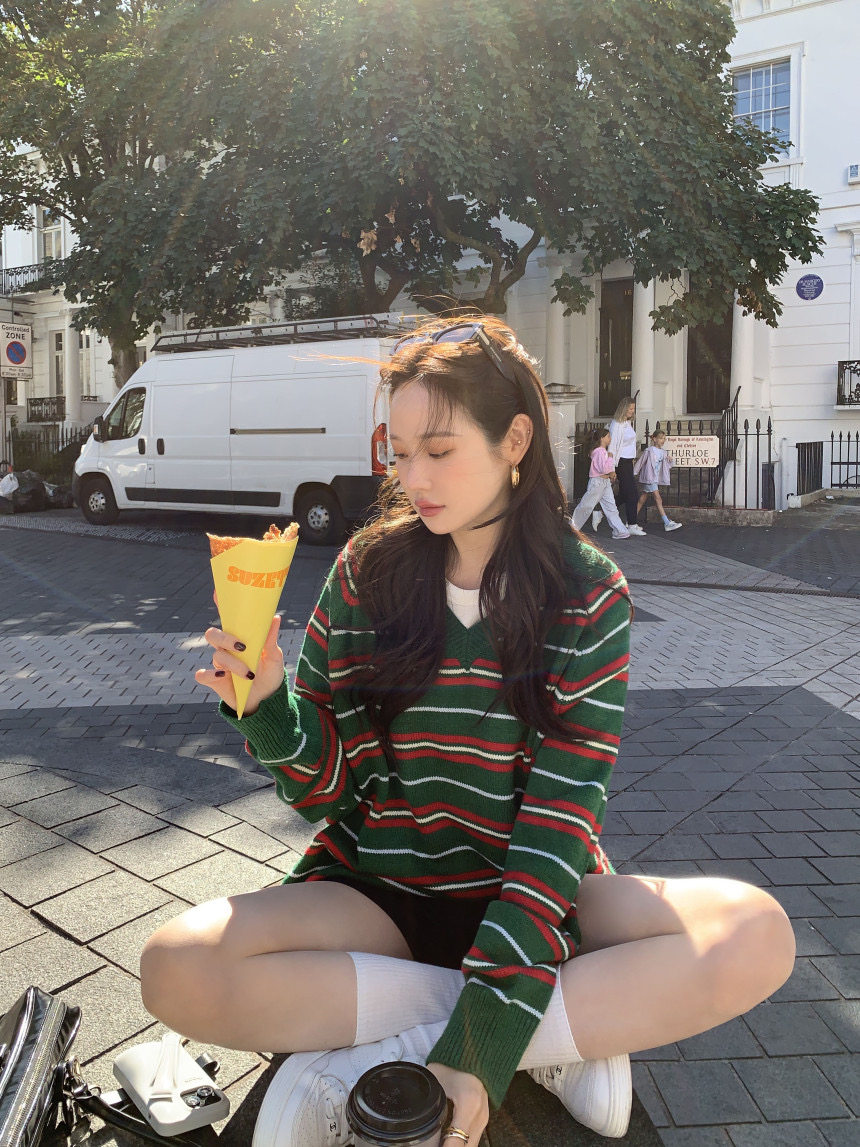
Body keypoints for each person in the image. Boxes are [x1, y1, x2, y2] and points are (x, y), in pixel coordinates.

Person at [139, 316, 795, 1147]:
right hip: (380, 895)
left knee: (757, 934)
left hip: (537, 898)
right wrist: (268, 703)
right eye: (399, 451)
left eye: (439, 450)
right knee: (175, 966)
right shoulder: (365, 572)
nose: (413, 477)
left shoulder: (587, 595)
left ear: (514, 440)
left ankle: (409, 1045)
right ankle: (552, 1033)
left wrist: (479, 1049)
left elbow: (557, 830)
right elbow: (326, 794)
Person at [592, 397, 644, 536]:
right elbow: (613, 447)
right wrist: (611, 469)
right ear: (623, 408)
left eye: (633, 409)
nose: (632, 411)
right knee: (632, 494)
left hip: (628, 461)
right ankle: (632, 524)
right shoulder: (617, 424)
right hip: (620, 462)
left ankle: (600, 511)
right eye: (630, 408)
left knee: (625, 494)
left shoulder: (627, 423)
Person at [570, 427, 630, 539]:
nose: (610, 438)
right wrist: (610, 459)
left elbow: (605, 468)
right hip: (598, 482)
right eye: (608, 436)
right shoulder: (599, 451)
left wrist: (611, 471)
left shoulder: (601, 451)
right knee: (586, 506)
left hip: (604, 482)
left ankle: (620, 530)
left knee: (610, 506)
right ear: (602, 438)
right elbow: (604, 468)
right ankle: (572, 528)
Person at [634, 429, 683, 532]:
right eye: (661, 438)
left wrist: (670, 460)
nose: (663, 440)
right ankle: (667, 523)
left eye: (664, 438)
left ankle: (631, 520)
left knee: (643, 498)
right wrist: (634, 472)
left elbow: (667, 466)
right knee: (658, 498)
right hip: (649, 478)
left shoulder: (663, 452)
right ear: (655, 439)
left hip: (655, 478)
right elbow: (641, 462)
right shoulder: (649, 450)